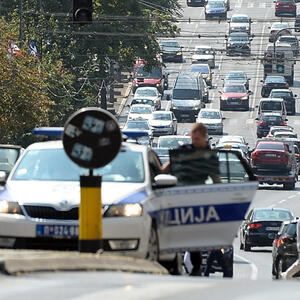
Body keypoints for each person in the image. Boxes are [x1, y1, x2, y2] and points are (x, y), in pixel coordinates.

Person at [161, 123, 221, 276]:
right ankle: (173, 262)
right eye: (192, 138)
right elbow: (168, 166)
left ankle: (195, 267)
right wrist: (158, 175)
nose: (194, 142)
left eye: (197, 139)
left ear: (204, 137)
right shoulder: (184, 151)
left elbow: (216, 179)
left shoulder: (209, 156)